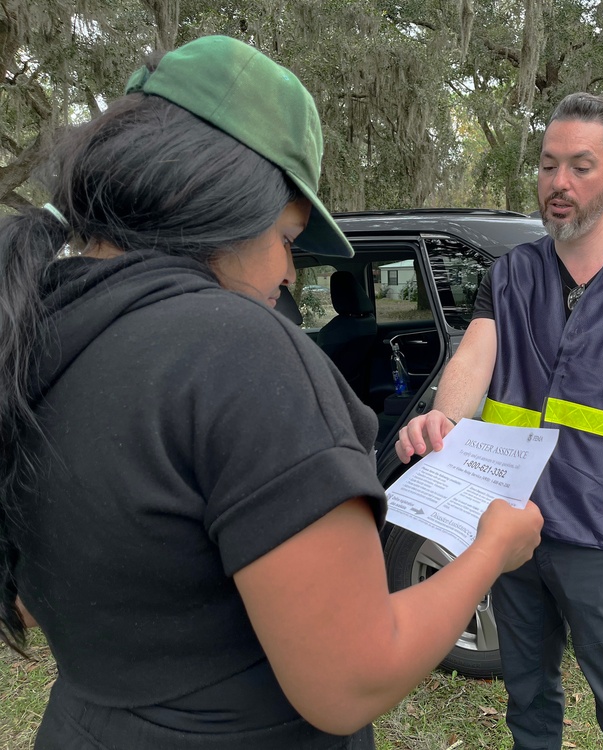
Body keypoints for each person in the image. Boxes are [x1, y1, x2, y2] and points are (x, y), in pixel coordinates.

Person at [0, 35, 543, 750]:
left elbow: (44, 598)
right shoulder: (240, 351)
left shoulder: (34, 338)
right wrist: (491, 550)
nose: (290, 273)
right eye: (289, 237)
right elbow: (350, 681)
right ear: (224, 202)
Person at [395, 92, 603, 750]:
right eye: (548, 167)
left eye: (579, 166)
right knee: (528, 692)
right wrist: (441, 421)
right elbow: (474, 357)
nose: (559, 184)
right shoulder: (511, 275)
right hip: (514, 530)